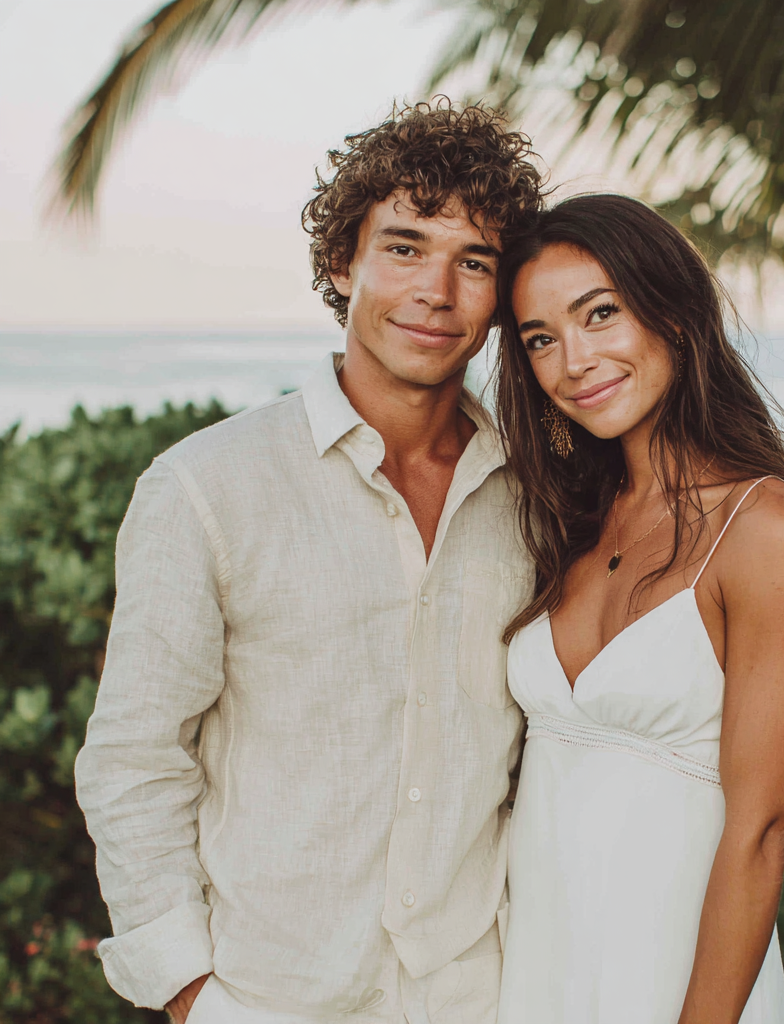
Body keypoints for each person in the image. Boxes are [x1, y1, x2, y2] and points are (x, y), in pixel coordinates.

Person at [74, 101, 544, 1024]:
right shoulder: (206, 486)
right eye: (404, 247)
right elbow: (134, 759)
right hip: (266, 1000)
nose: (436, 292)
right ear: (344, 263)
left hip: (481, 998)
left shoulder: (539, 500)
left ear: (502, 293)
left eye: (475, 261)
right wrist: (189, 994)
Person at [491, 193, 784, 1024]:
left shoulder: (767, 527)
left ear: (675, 316)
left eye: (600, 314)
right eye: (541, 339)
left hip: (679, 978)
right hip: (531, 969)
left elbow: (762, 832)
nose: (574, 359)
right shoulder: (565, 518)